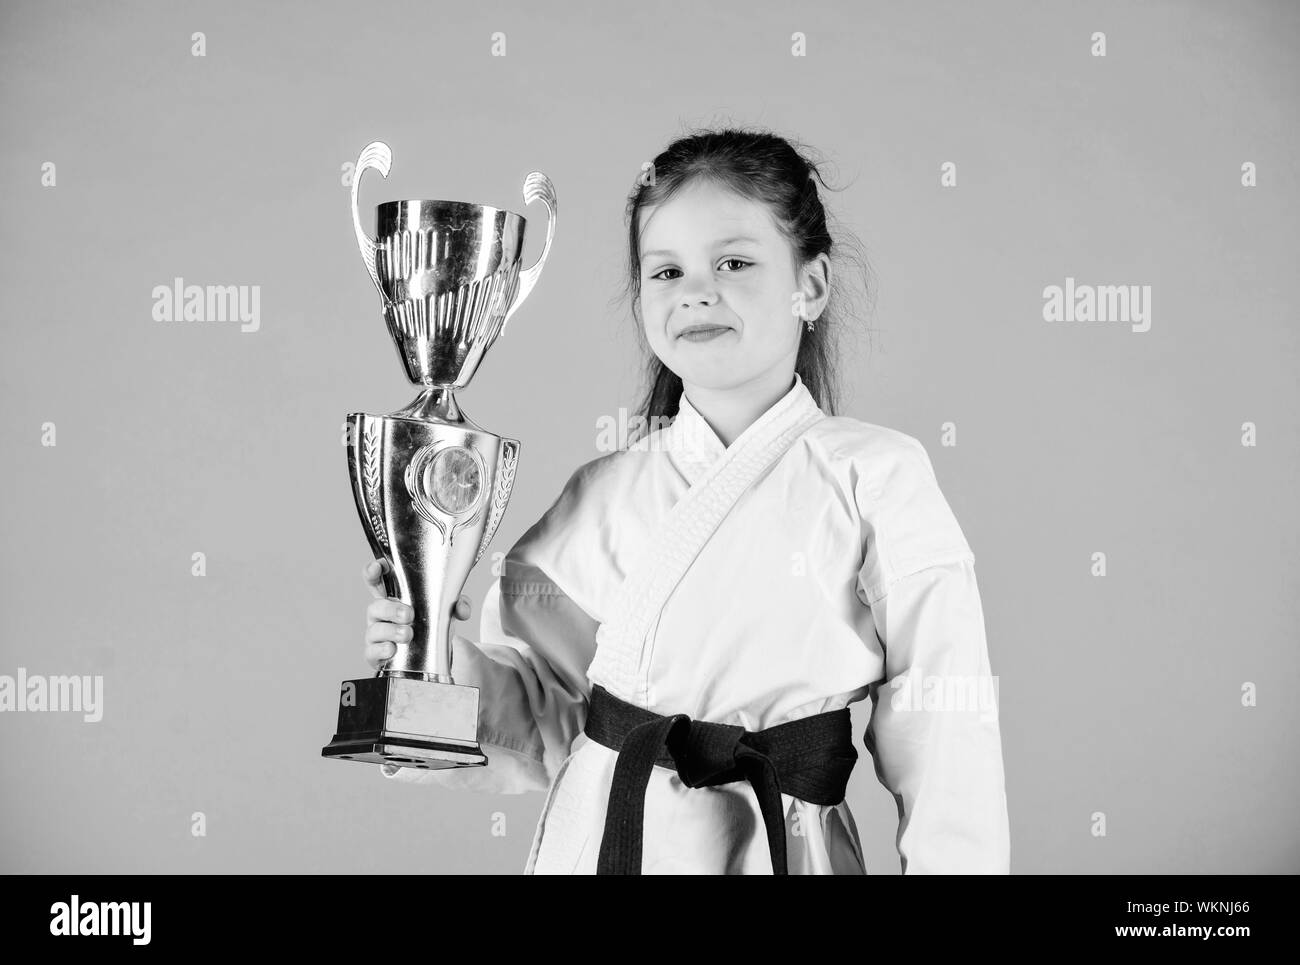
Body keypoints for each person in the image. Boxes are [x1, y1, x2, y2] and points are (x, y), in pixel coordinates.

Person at [363, 127, 1011, 875]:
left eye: (734, 262)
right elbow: (548, 720)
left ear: (813, 284)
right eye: (665, 271)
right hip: (607, 843)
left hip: (778, 848)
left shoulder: (877, 477)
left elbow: (947, 737)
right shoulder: (603, 492)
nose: (697, 290)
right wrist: (435, 660)